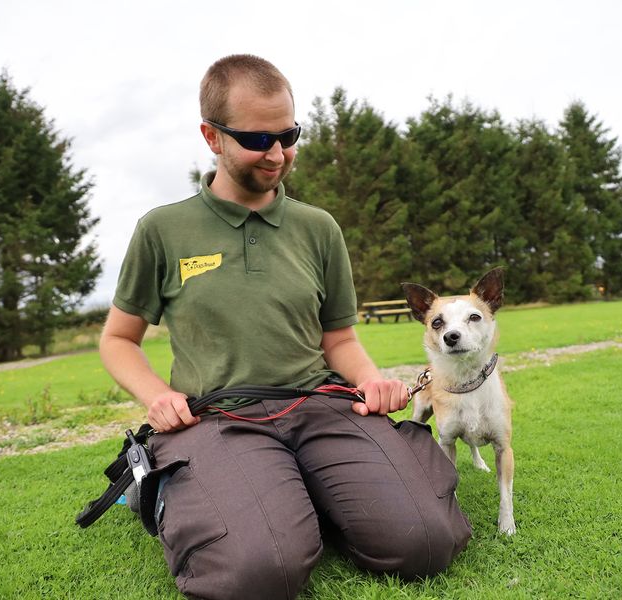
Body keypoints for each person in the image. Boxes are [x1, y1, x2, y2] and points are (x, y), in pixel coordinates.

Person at [100, 54, 471, 600]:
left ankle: (301, 493)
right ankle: (177, 491)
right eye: (257, 139)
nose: (277, 154)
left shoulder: (318, 228)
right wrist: (157, 396)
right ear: (212, 136)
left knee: (427, 542)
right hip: (221, 418)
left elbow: (338, 338)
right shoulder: (163, 230)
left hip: (320, 406)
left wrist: (368, 381)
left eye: (289, 134)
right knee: (258, 573)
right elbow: (117, 340)